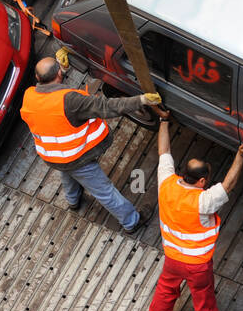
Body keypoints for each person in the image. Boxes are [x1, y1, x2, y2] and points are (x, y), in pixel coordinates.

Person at [147, 116, 243, 311]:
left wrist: (164, 120)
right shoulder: (203, 200)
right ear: (202, 181)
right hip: (197, 266)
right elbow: (228, 185)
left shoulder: (166, 183)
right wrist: (240, 156)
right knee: (204, 306)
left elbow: (164, 151)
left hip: (172, 257)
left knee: (166, 289)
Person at [19, 56, 159, 233]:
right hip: (76, 158)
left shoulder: (29, 96)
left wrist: (62, 69)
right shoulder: (70, 101)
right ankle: (131, 222)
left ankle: (73, 201)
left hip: (52, 155)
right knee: (104, 191)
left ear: (38, 78)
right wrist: (141, 101)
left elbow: (50, 96)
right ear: (59, 74)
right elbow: (108, 106)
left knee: (67, 172)